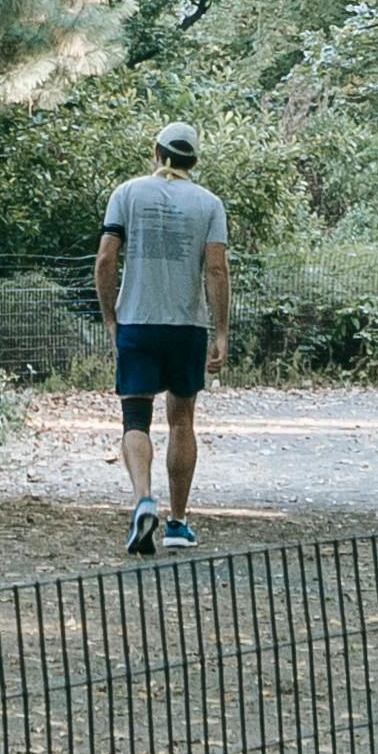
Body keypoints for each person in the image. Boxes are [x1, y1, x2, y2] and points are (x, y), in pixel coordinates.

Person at [93, 122, 234, 554]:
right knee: (182, 421)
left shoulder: (126, 194)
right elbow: (216, 270)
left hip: (138, 322)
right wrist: (221, 331)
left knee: (135, 418)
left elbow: (105, 259)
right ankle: (177, 523)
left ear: (156, 152)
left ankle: (142, 501)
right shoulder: (209, 204)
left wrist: (111, 318)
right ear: (194, 160)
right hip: (187, 327)